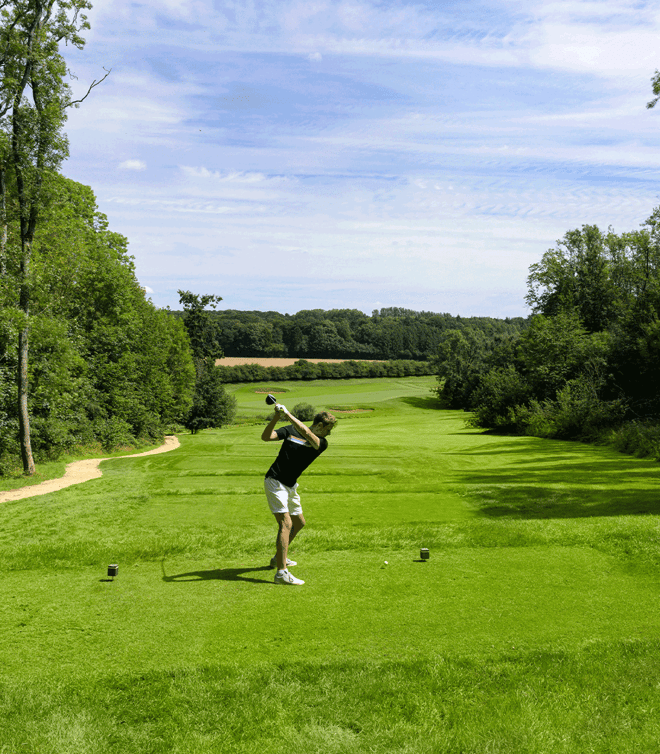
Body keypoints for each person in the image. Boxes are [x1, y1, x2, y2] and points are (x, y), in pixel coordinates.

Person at [261, 404, 337, 585]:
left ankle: (279, 557)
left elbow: (305, 432)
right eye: (329, 429)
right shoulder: (289, 430)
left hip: (290, 485)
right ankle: (281, 572)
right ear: (320, 426)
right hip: (275, 480)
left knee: (299, 522)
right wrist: (276, 419)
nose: (329, 433)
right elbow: (266, 437)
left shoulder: (320, 443)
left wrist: (288, 414)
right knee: (286, 523)